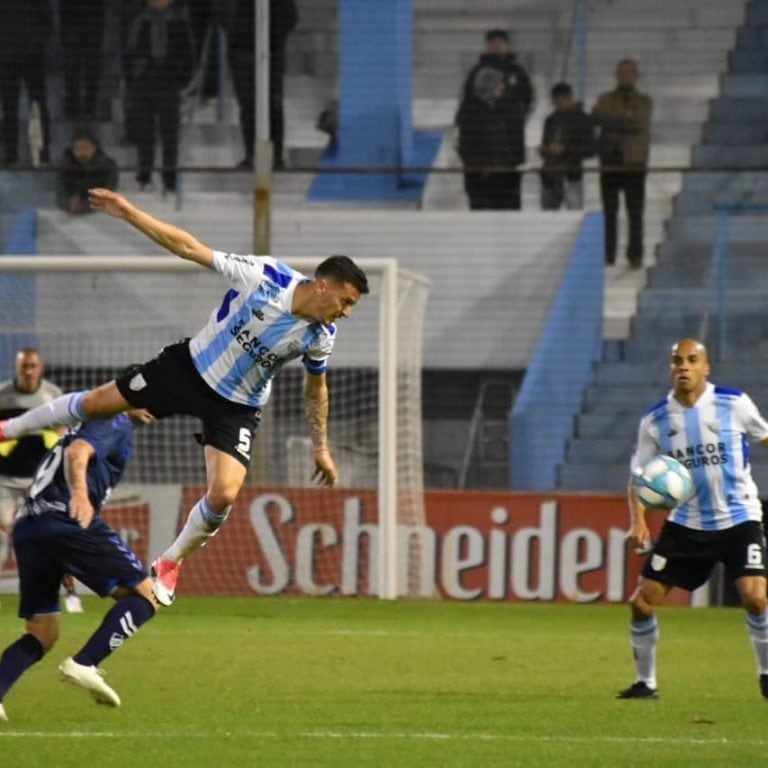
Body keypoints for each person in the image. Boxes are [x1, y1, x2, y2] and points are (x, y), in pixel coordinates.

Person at [0, 188, 369, 608]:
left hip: (238, 405)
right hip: (188, 370)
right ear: (323, 286)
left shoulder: (322, 336)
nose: (346, 312)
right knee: (97, 404)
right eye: (346, 301)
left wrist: (321, 447)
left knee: (225, 493)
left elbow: (315, 386)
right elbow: (189, 247)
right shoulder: (265, 277)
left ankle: (169, 563)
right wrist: (129, 212)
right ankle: (8, 427)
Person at [618, 337, 768, 701]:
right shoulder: (656, 420)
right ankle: (645, 683)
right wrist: (638, 521)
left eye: (691, 360)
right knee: (642, 603)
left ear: (706, 367)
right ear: (670, 368)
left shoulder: (733, 403)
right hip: (688, 523)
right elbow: (639, 477)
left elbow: (765, 437)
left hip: (739, 516)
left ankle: (766, 673)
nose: (683, 367)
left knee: (756, 598)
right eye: (677, 361)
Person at [0, 405, 158, 722]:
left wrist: (63, 559)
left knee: (43, 630)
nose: (155, 407)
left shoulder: (80, 426)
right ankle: (85, 663)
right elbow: (78, 453)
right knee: (150, 594)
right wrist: (81, 495)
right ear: (125, 397)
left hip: (31, 525)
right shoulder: (114, 420)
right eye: (148, 397)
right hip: (66, 519)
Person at [0, 350, 62, 577]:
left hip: (40, 479)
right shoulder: (2, 394)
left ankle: (48, 589)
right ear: (15, 368)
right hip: (4, 479)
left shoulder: (52, 395)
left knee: (44, 534)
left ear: (40, 367)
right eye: (23, 366)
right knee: (1, 533)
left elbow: (62, 430)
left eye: (32, 366)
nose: (28, 371)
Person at [458, 28, 534, 210]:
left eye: (501, 42)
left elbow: (527, 102)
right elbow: (463, 136)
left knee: (509, 205)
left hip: (509, 156)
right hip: (480, 165)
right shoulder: (476, 75)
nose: (497, 46)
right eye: (493, 43)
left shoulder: (518, 73)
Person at [125, 0, 196, 193]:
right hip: (144, 83)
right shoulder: (139, 22)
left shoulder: (179, 23)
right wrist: (134, 75)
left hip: (168, 84)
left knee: (169, 134)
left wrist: (179, 80)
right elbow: (129, 53)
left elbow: (188, 55)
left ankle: (169, 179)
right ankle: (144, 175)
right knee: (145, 132)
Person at [592, 59, 653, 268]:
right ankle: (608, 255)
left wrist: (614, 122)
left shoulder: (644, 100)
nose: (625, 76)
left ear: (636, 76)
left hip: (634, 162)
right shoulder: (605, 98)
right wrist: (625, 120)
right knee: (609, 211)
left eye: (630, 72)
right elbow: (598, 116)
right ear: (616, 74)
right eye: (622, 72)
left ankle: (635, 255)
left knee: (635, 212)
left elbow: (639, 122)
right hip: (610, 161)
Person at [225, 0, 298, 170]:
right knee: (248, 106)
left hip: (271, 55)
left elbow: (290, 18)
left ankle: (275, 157)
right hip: (243, 54)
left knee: (272, 106)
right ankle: (253, 155)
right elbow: (223, 14)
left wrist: (272, 38)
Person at [456, 67, 521, 210]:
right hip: (483, 182)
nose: (502, 87)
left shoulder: (494, 109)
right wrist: (484, 168)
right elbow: (464, 147)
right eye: (498, 84)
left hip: (502, 180)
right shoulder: (470, 112)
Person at [0, 0, 52, 166]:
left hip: (32, 54)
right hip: (7, 55)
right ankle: (11, 154)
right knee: (9, 107)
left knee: (37, 105)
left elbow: (47, 21)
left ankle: (43, 153)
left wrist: (37, 42)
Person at [538, 82, 596, 211]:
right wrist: (544, 150)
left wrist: (566, 149)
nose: (558, 104)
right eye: (555, 101)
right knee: (548, 219)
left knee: (574, 217)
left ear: (570, 98)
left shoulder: (584, 120)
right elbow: (546, 144)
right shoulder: (550, 120)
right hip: (550, 178)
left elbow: (591, 149)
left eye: (561, 100)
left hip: (572, 177)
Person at [59, 0, 106, 119]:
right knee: (80, 63)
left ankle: (82, 102)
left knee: (80, 63)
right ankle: (84, 103)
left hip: (81, 20)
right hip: (85, 20)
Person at [56, 129, 119, 215]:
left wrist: (85, 205)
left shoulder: (108, 166)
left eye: (86, 148)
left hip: (99, 212)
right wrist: (70, 203)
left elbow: (109, 192)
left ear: (94, 148)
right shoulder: (65, 166)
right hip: (71, 210)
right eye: (78, 148)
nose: (82, 153)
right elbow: (61, 193)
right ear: (72, 149)